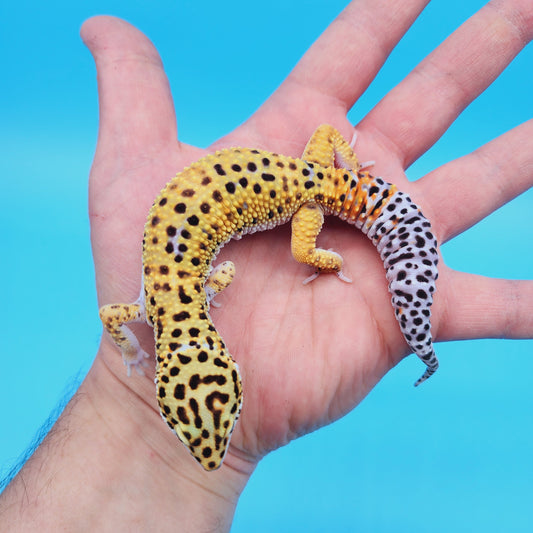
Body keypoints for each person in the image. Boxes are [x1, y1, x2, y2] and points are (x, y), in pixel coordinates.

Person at [1, 0, 532, 530]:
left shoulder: (180, 301)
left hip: (306, 198)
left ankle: (374, 272)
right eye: (219, 424)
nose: (208, 448)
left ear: (225, 366)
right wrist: (138, 360)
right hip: (314, 168)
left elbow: (195, 288)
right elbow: (127, 312)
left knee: (305, 252)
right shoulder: (151, 308)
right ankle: (392, 262)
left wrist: (135, 351)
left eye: (205, 426)